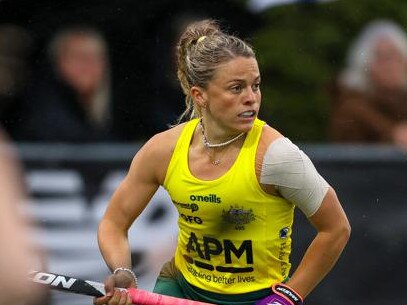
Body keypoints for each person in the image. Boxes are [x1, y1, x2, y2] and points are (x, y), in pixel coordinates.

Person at [95, 19, 351, 305]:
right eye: (236, 88)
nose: (251, 99)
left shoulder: (277, 156)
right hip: (182, 288)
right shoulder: (163, 150)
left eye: (256, 86)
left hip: (259, 299)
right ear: (199, 95)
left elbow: (336, 228)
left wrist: (289, 296)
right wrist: (121, 270)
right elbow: (113, 222)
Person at [15, 26, 115, 142]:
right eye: (79, 57)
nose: (89, 65)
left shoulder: (103, 114)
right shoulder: (44, 115)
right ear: (58, 62)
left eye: (96, 57)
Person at [329, 20, 407, 148]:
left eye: (396, 56)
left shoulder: (402, 100)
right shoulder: (351, 105)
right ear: (365, 64)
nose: (390, 66)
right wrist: (394, 134)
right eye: (381, 57)